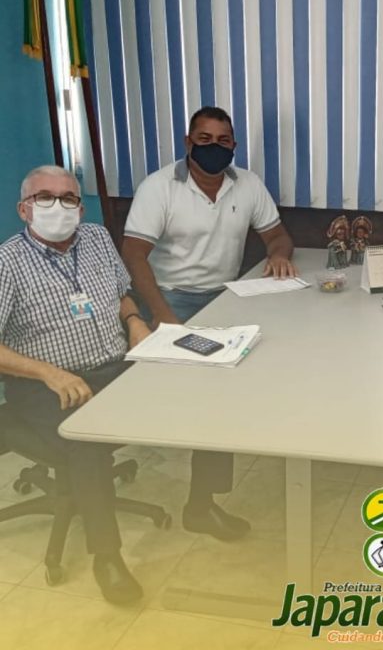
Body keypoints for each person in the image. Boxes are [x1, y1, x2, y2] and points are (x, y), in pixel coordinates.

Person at [0, 166, 151, 603]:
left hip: (113, 367)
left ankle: (202, 504)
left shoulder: (97, 238)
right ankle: (107, 556)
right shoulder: (8, 262)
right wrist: (50, 373)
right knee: (87, 438)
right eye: (45, 197)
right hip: (45, 385)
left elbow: (121, 293)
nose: (58, 206)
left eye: (68, 198)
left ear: (80, 208)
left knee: (192, 388)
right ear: (24, 209)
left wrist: (134, 320)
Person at [121, 105, 295, 326]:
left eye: (223, 141)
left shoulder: (249, 183)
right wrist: (160, 313)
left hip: (229, 292)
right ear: (188, 143)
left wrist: (278, 256)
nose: (214, 146)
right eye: (205, 139)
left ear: (233, 146)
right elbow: (133, 254)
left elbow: (277, 236)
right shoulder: (158, 187)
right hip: (170, 296)